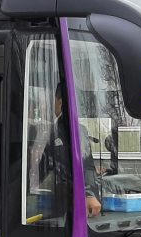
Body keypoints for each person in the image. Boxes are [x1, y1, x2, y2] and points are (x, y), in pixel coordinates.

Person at [40, 82, 102, 217]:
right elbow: (47, 164)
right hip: (71, 203)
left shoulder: (68, 130)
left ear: (60, 102)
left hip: (75, 204)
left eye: (53, 101)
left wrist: (88, 193)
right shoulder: (62, 130)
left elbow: (83, 164)